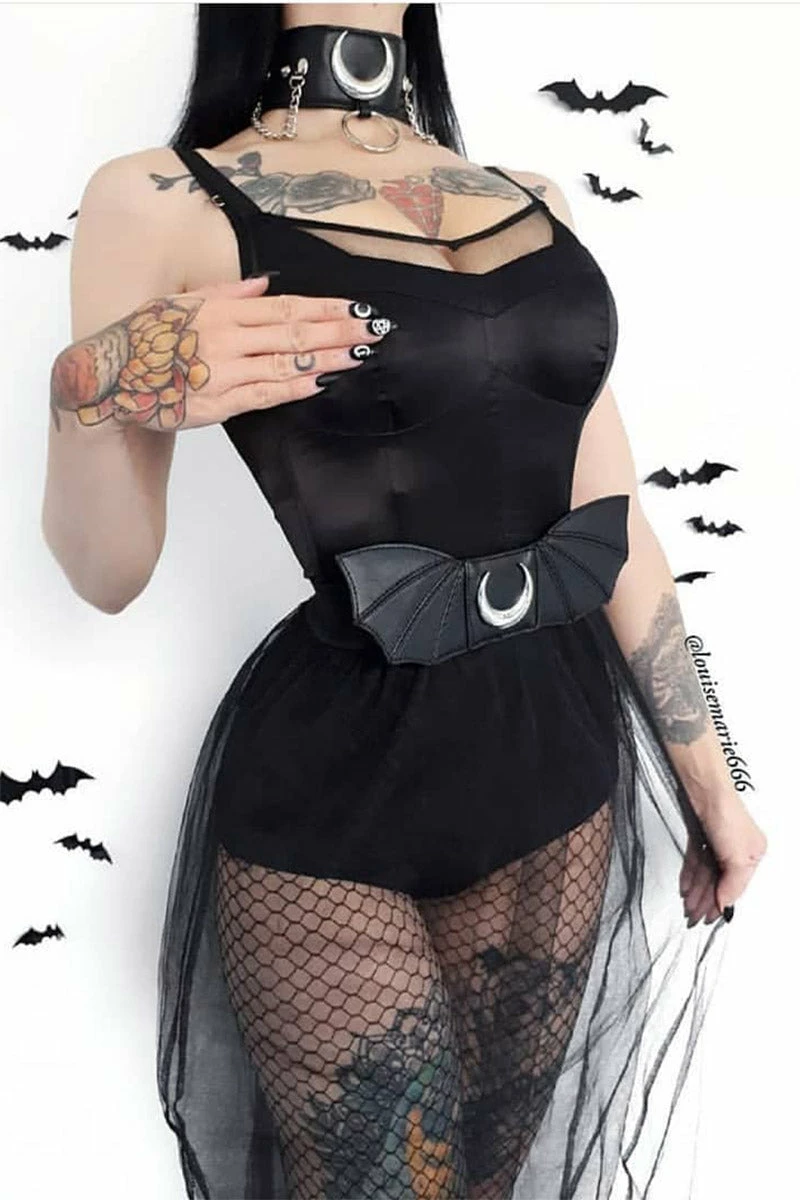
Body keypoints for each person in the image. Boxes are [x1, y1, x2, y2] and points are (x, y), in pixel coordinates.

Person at [42, 4, 767, 1198]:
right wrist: (87, 390)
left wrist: (715, 782)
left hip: (551, 764)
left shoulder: (528, 197)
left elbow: (612, 516)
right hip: (335, 787)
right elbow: (107, 575)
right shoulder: (160, 198)